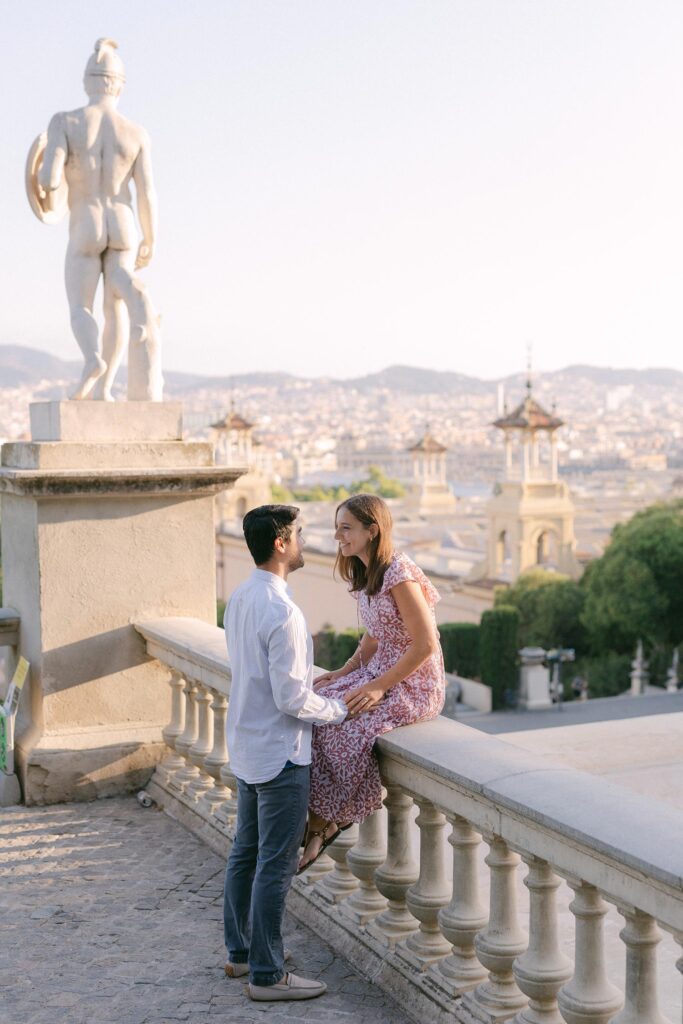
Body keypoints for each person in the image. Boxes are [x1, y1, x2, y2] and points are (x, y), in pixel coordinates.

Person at [223, 504, 349, 1002]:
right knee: (274, 864)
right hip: (280, 753)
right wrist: (339, 710)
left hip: (248, 745)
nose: (303, 541)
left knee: (244, 854)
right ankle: (268, 975)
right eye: (297, 534)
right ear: (280, 544)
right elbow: (293, 698)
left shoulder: (240, 597)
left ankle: (240, 953)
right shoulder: (283, 612)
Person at [298, 493, 445, 871]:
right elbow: (375, 635)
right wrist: (346, 671)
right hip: (381, 670)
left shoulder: (400, 574)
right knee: (316, 700)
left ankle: (326, 821)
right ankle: (321, 819)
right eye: (337, 528)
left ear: (372, 530)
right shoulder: (369, 572)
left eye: (345, 528)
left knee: (338, 723)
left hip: (413, 684)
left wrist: (378, 686)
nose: (338, 537)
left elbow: (426, 644)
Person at [34, 38, 161, 401]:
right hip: (124, 223)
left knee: (81, 307)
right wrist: (151, 237)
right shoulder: (137, 134)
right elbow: (147, 193)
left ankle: (92, 359)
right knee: (115, 306)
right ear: (119, 85)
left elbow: (49, 179)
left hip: (86, 222)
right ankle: (104, 390)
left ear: (87, 82)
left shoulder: (65, 122)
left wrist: (44, 188)